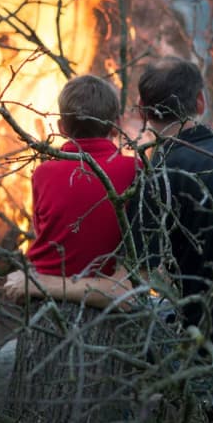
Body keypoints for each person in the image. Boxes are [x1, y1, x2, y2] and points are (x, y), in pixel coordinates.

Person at [7, 57, 213, 370]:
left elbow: (126, 292)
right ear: (201, 101)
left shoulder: (158, 177)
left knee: (139, 334)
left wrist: (38, 283)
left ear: (142, 112)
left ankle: (180, 411)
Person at [24, 75, 138, 278]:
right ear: (117, 125)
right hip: (108, 291)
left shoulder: (43, 173)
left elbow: (41, 232)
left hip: (45, 287)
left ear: (61, 128)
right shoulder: (135, 169)